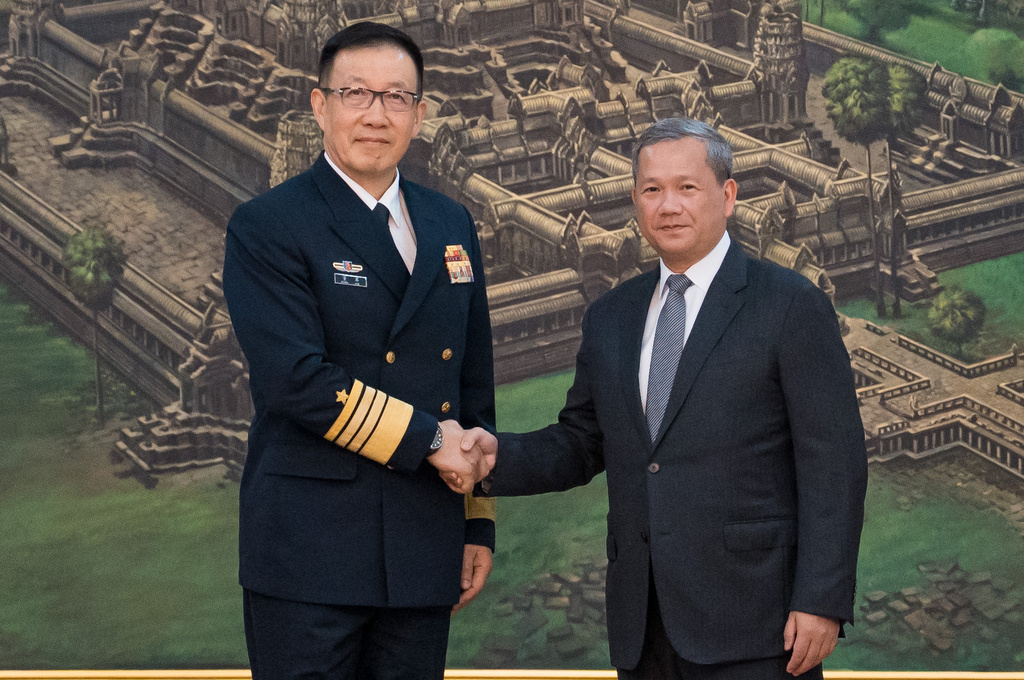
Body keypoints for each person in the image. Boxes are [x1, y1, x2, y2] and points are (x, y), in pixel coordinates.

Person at [466, 118, 867, 679]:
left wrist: (821, 599)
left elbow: (835, 464)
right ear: (634, 201)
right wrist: (490, 460)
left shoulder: (790, 305)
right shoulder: (612, 316)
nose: (668, 205)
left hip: (757, 622)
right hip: (643, 622)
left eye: (687, 187)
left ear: (727, 196)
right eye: (652, 190)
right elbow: (582, 442)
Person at [222, 22, 496, 680]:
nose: (378, 114)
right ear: (320, 106)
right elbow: (297, 381)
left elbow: (474, 377)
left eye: (397, 97)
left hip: (423, 543)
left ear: (420, 114)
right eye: (356, 94)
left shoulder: (450, 222)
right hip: (309, 554)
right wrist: (434, 442)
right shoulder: (268, 225)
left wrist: (477, 518)